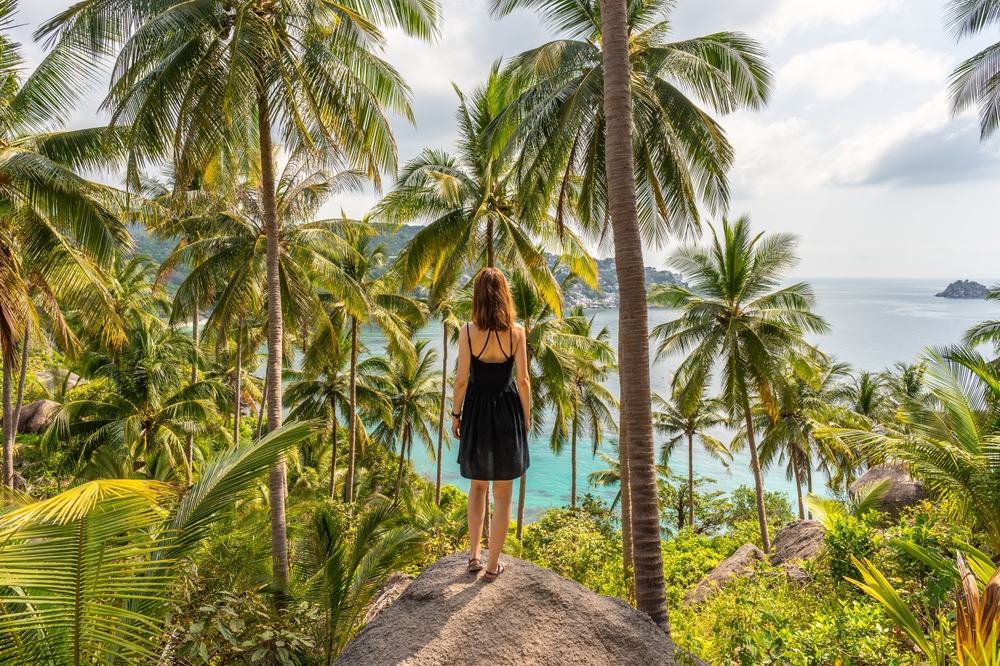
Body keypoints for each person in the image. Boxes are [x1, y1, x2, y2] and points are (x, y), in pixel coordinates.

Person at [451, 267, 530, 581]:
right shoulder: (517, 332)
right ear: (505, 295)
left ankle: (474, 555)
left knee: (477, 486)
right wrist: (525, 416)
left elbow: (461, 381)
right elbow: (523, 381)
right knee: (504, 493)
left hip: (477, 411)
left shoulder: (468, 331)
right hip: (507, 410)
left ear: (478, 297)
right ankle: (493, 565)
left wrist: (456, 415)